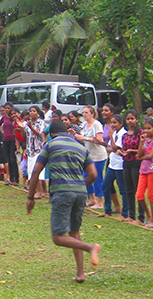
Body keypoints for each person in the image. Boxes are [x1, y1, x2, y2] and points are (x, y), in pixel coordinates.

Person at [26, 120, 100, 283]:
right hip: (80, 193)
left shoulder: (50, 145)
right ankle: (80, 274)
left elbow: (36, 171)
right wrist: (81, 186)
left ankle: (91, 247)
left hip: (62, 192)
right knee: (74, 232)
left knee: (58, 237)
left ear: (52, 134)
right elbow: (93, 174)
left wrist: (30, 198)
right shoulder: (80, 147)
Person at [76, 105, 106, 209]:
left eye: (86, 112)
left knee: (97, 178)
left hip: (98, 155)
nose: (84, 115)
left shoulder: (97, 124)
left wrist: (85, 138)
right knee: (85, 176)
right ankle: (91, 199)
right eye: (83, 113)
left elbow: (99, 139)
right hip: (88, 155)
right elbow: (81, 136)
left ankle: (100, 201)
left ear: (92, 114)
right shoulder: (84, 125)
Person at [136, 117, 153, 227]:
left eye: (149, 128)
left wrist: (141, 158)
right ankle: (148, 214)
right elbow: (139, 154)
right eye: (145, 128)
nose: (146, 131)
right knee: (139, 195)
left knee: (151, 195)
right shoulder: (145, 140)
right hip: (144, 170)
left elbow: (151, 155)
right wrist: (141, 142)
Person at [103, 114, 129, 219]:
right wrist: (114, 148)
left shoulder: (124, 134)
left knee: (122, 188)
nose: (112, 125)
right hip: (112, 164)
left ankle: (125, 212)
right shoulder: (114, 133)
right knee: (106, 185)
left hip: (120, 165)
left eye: (115, 123)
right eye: (112, 123)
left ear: (121, 123)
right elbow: (110, 148)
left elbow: (116, 147)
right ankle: (107, 210)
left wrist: (111, 140)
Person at [120, 110, 142, 224]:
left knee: (138, 189)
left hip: (136, 162)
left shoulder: (140, 133)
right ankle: (131, 215)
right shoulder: (125, 135)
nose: (130, 121)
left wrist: (132, 151)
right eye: (128, 119)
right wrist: (121, 152)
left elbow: (143, 149)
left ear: (136, 119)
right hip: (126, 162)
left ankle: (141, 216)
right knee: (129, 190)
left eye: (132, 119)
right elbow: (122, 148)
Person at [22, 106, 47, 198]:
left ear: (38, 113)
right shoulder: (27, 123)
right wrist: (22, 129)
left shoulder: (41, 122)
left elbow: (40, 134)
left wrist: (31, 127)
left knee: (37, 170)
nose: (32, 113)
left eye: (34, 111)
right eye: (30, 111)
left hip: (38, 149)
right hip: (30, 150)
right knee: (31, 171)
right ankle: (38, 190)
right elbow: (24, 137)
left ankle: (39, 191)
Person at [0, 104, 21, 186]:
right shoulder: (4, 117)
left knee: (13, 159)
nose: (7, 110)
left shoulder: (15, 120)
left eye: (9, 108)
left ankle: (16, 178)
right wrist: (2, 132)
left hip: (13, 140)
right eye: (6, 108)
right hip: (5, 139)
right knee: (8, 159)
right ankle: (11, 178)